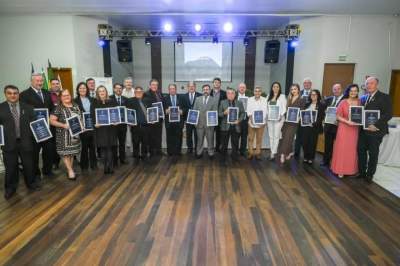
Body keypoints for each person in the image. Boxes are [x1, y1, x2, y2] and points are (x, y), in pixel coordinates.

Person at [0, 85, 39, 199]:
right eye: (9, 93)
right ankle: (10, 188)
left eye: (15, 93)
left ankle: (31, 184)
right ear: (5, 94)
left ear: (18, 94)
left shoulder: (28, 107)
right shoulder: (0, 108)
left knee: (29, 165)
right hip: (8, 143)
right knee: (11, 167)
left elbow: (35, 124)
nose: (12, 95)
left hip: (25, 141)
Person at [20, 73, 55, 179]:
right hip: (33, 130)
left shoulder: (47, 93)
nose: (40, 83)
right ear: (31, 81)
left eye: (41, 81)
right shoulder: (24, 94)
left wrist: (52, 116)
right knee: (34, 154)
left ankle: (47, 171)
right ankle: (36, 173)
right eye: (37, 81)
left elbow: (52, 108)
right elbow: (23, 112)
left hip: (47, 128)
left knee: (49, 151)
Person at [357, 77, 392, 183]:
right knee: (361, 151)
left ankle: (369, 175)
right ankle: (362, 172)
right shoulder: (363, 98)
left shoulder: (384, 97)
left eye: (371, 83)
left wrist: (375, 125)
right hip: (363, 130)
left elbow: (388, 114)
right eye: (367, 83)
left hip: (376, 131)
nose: (369, 85)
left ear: (377, 85)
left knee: (373, 153)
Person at [331, 84, 361, 178]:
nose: (353, 92)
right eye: (351, 91)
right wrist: (347, 121)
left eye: (355, 91)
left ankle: (351, 170)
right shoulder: (343, 102)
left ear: (357, 92)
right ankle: (340, 169)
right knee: (342, 149)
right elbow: (338, 116)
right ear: (348, 92)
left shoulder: (360, 102)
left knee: (352, 150)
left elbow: (362, 115)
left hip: (355, 129)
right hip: (344, 128)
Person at [49, 89, 81, 180]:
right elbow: (51, 121)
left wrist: (81, 124)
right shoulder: (58, 108)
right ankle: (70, 171)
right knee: (65, 154)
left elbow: (80, 117)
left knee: (71, 153)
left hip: (75, 134)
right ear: (61, 98)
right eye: (64, 95)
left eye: (68, 95)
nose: (67, 97)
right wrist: (63, 125)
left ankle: (69, 169)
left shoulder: (75, 105)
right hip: (63, 135)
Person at [91, 85, 118, 174]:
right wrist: (95, 123)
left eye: (103, 91)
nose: (102, 92)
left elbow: (116, 113)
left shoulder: (112, 101)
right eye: (100, 91)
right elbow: (92, 116)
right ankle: (105, 167)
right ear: (97, 93)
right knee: (103, 149)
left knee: (110, 148)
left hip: (110, 128)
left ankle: (110, 167)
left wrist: (116, 121)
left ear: (106, 92)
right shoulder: (94, 102)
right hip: (100, 129)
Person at [278, 84, 306, 164]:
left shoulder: (302, 99)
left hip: (294, 122)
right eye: (292, 89)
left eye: (295, 89)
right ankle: (290, 152)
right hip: (287, 121)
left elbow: (302, 111)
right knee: (286, 137)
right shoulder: (289, 98)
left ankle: (282, 154)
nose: (293, 91)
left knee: (287, 137)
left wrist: (299, 119)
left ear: (298, 90)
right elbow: (286, 110)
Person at [74, 82, 97, 171]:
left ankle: (93, 164)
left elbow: (96, 112)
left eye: (84, 88)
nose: (82, 90)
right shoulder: (74, 101)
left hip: (92, 126)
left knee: (92, 146)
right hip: (82, 126)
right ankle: (84, 165)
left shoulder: (93, 99)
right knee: (83, 146)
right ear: (78, 90)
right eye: (80, 88)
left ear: (87, 89)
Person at [218, 87, 245, 160]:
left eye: (232, 93)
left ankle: (234, 156)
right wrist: (224, 113)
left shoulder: (239, 103)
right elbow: (219, 114)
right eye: (228, 93)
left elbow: (243, 113)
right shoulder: (222, 102)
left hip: (236, 126)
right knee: (224, 144)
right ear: (226, 94)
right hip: (225, 126)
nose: (230, 95)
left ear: (235, 94)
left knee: (235, 143)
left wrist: (239, 120)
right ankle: (223, 157)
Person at [126, 86, 151, 164]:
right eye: (137, 92)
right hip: (135, 126)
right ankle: (136, 156)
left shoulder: (147, 101)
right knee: (135, 142)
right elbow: (128, 112)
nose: (139, 93)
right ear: (134, 93)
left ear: (143, 93)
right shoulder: (130, 101)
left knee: (145, 142)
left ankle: (144, 156)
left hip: (145, 126)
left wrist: (153, 118)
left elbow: (151, 112)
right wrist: (129, 121)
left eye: (140, 92)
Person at [321, 83, 344, 166]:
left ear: (341, 89)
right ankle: (326, 161)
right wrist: (324, 112)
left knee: (339, 146)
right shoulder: (329, 99)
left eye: (338, 89)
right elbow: (322, 109)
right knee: (327, 145)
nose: (336, 91)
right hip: (328, 126)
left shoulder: (345, 100)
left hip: (339, 126)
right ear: (332, 90)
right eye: (334, 89)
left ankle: (335, 162)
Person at [193, 84, 218, 159]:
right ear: (202, 91)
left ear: (210, 91)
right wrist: (194, 122)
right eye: (204, 89)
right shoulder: (198, 99)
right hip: (199, 124)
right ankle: (199, 152)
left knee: (210, 140)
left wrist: (212, 123)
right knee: (199, 140)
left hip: (209, 124)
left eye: (207, 89)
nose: (205, 91)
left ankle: (211, 153)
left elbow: (215, 111)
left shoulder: (214, 100)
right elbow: (194, 111)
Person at [301, 89, 325, 164]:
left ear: (318, 96)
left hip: (314, 127)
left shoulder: (321, 105)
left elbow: (321, 117)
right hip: (305, 127)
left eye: (315, 95)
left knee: (312, 143)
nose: (313, 96)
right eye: (312, 94)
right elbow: (303, 114)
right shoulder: (307, 104)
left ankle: (311, 157)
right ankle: (305, 156)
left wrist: (314, 123)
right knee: (305, 142)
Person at [266, 82, 287, 160]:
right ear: (272, 88)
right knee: (271, 136)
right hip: (270, 119)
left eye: (277, 86)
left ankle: (273, 153)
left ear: (279, 88)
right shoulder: (269, 96)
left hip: (279, 119)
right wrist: (267, 115)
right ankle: (272, 152)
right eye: (274, 86)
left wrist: (280, 116)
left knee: (276, 136)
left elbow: (284, 108)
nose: (275, 88)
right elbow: (266, 108)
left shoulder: (282, 96)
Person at [164, 84, 186, 156]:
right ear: (169, 90)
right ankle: (170, 152)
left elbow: (185, 108)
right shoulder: (165, 98)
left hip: (179, 122)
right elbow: (161, 109)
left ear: (176, 89)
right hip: (169, 122)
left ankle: (178, 152)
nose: (172, 90)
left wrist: (182, 111)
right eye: (171, 89)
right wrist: (165, 111)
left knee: (179, 137)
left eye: (173, 89)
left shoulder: (181, 97)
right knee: (169, 137)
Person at [246, 86, 268, 160]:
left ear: (261, 92)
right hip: (251, 122)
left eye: (259, 91)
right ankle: (250, 153)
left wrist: (261, 120)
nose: (257, 92)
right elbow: (248, 110)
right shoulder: (250, 99)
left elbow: (265, 111)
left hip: (261, 123)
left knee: (259, 139)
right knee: (250, 139)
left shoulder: (265, 100)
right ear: (254, 92)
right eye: (256, 91)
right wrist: (251, 118)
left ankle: (258, 153)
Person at [144, 79, 164, 156]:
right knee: (151, 136)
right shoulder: (146, 94)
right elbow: (146, 106)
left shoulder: (159, 93)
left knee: (159, 135)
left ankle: (159, 150)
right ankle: (152, 152)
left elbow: (162, 104)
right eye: (153, 84)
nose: (154, 86)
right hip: (152, 118)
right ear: (150, 85)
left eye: (156, 85)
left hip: (159, 118)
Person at [110, 83, 128, 165]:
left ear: (122, 90)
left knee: (122, 143)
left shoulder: (126, 99)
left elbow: (128, 111)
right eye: (117, 88)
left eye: (120, 88)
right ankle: (114, 160)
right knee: (114, 143)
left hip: (123, 125)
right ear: (114, 89)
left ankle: (122, 158)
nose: (118, 90)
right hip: (113, 125)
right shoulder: (109, 99)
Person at [294, 77, 313, 158]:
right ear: (303, 84)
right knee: (298, 136)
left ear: (311, 85)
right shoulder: (299, 93)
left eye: (308, 83)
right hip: (299, 119)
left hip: (309, 120)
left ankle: (306, 155)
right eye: (305, 83)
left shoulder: (314, 93)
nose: (306, 84)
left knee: (307, 138)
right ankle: (296, 153)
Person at [183, 81, 202, 154]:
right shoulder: (184, 96)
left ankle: (197, 149)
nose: (191, 87)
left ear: (195, 87)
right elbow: (183, 107)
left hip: (197, 120)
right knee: (188, 135)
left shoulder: (200, 95)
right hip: (188, 120)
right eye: (190, 86)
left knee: (197, 135)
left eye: (193, 86)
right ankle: (189, 148)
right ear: (187, 87)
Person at [210, 77, 227, 152]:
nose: (216, 83)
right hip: (210, 116)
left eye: (218, 82)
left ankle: (217, 148)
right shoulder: (209, 92)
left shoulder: (224, 93)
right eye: (215, 82)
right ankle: (210, 148)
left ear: (220, 84)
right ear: (213, 84)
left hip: (220, 116)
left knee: (219, 134)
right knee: (210, 133)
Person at [49, 78, 61, 169]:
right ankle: (55, 162)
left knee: (64, 141)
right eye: (54, 84)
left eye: (57, 83)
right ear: (50, 85)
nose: (56, 85)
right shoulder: (47, 95)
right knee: (54, 144)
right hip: (53, 123)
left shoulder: (63, 94)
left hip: (64, 122)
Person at [237, 83, 251, 156]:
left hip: (246, 120)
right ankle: (235, 151)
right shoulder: (235, 97)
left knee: (244, 136)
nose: (242, 89)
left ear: (245, 89)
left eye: (243, 87)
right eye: (240, 87)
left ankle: (242, 151)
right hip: (237, 120)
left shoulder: (249, 98)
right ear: (238, 88)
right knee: (236, 136)